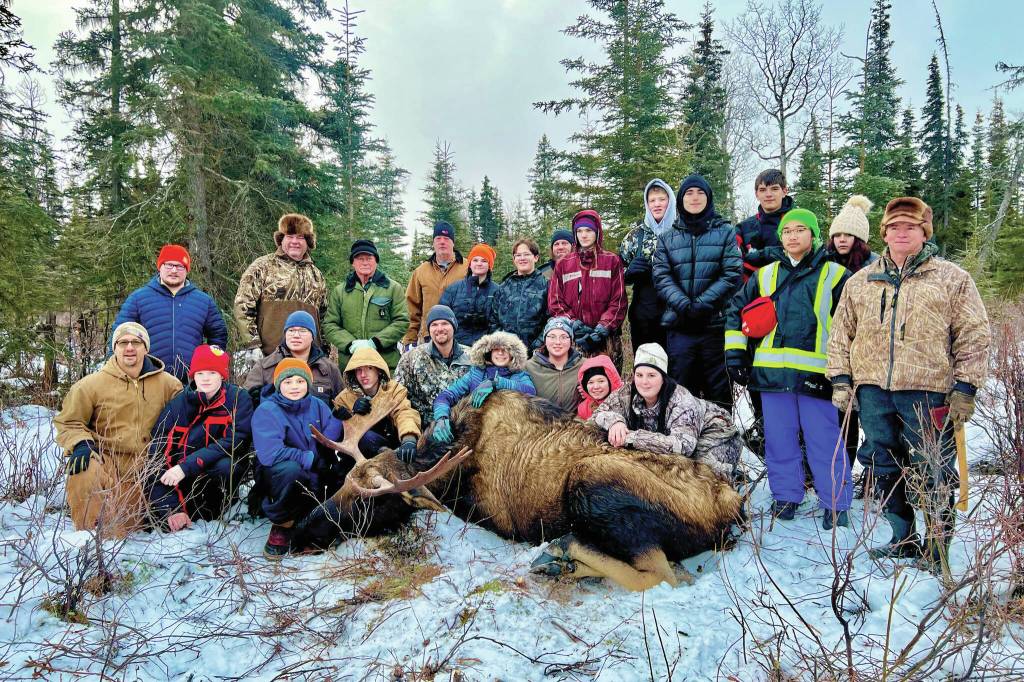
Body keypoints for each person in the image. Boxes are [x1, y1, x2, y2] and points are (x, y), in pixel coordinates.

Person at [828, 197, 990, 569]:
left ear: (924, 233)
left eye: (910, 227)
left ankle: (937, 548)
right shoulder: (860, 281)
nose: (901, 233)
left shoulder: (952, 279)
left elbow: (974, 335)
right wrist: (840, 379)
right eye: (894, 227)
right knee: (884, 465)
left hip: (928, 392)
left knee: (932, 468)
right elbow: (840, 334)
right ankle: (902, 537)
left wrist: (966, 387)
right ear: (884, 232)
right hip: (873, 392)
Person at [725, 207, 852, 528]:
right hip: (771, 377)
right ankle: (786, 496)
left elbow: (853, 327)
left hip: (816, 377)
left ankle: (836, 502)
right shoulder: (764, 276)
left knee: (824, 440)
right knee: (779, 441)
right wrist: (736, 355)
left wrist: (845, 371)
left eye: (800, 230)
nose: (793, 236)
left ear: (813, 235)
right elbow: (734, 313)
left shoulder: (835, 275)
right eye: (787, 231)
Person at [54, 322, 183, 535]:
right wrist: (81, 444)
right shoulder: (90, 386)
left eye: (136, 342)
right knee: (84, 468)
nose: (129, 348)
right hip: (108, 464)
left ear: (146, 348)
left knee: (123, 528)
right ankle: (89, 539)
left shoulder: (169, 385)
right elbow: (69, 422)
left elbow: (186, 422)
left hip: (149, 468)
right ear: (115, 348)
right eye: (123, 343)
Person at [652, 175, 742, 410]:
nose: (694, 198)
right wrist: (683, 304)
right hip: (680, 327)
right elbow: (661, 276)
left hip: (714, 325)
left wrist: (702, 303)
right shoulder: (668, 238)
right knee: (681, 390)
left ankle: (720, 441)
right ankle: (683, 440)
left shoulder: (725, 232)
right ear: (680, 200)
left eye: (700, 192)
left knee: (718, 391)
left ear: (708, 198)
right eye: (688, 193)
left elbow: (732, 273)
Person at [590, 343, 740, 480]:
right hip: (677, 438)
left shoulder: (681, 400)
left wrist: (632, 437)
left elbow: (683, 446)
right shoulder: (627, 392)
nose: (644, 382)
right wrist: (615, 422)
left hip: (715, 433)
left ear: (663, 377)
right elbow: (596, 416)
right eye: (639, 375)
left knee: (700, 477)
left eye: (651, 375)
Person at [147, 345, 253, 531]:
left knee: (227, 466)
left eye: (212, 372)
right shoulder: (178, 405)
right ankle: (184, 511)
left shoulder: (238, 398)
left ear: (222, 375)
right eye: (200, 372)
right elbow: (158, 452)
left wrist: (185, 467)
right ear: (193, 375)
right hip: (183, 480)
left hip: (213, 474)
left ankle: (219, 510)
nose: (205, 378)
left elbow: (235, 442)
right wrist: (172, 509)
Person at [251, 358, 345, 558]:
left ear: (308, 384)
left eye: (300, 381)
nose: (294, 386)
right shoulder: (267, 410)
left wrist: (339, 418)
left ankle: (314, 526)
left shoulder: (317, 405)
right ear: (279, 385)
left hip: (311, 474)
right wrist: (309, 458)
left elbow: (328, 436)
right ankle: (281, 525)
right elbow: (271, 454)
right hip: (278, 475)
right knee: (291, 470)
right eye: (288, 382)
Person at [112, 244, 228, 382]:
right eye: (169, 265)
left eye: (180, 266)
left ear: (186, 270)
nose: (174, 270)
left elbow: (218, 335)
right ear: (160, 267)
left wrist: (207, 368)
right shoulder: (139, 298)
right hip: (148, 378)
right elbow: (119, 334)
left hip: (189, 383)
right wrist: (118, 370)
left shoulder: (204, 301)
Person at [823, 195, 878, 472]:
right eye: (837, 235)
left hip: (867, 351)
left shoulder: (875, 268)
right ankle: (839, 470)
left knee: (866, 417)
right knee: (839, 415)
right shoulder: (822, 263)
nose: (842, 240)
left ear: (860, 239)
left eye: (849, 235)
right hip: (831, 350)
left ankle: (873, 475)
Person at [234, 213, 328, 357]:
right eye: (290, 236)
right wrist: (252, 345)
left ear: (308, 242)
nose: (295, 241)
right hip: (270, 355)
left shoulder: (316, 275)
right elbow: (243, 305)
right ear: (281, 239)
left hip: (309, 358)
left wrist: (324, 350)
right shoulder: (262, 266)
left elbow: (324, 318)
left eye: (300, 237)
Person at [548, 210, 627, 369]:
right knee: (577, 387)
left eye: (588, 230)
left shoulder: (611, 261)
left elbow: (618, 301)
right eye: (579, 231)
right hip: (576, 339)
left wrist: (602, 328)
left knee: (608, 385)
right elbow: (555, 301)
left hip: (606, 340)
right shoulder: (564, 264)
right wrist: (574, 324)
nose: (583, 235)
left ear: (597, 232)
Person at [431, 331, 537, 443]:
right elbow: (446, 396)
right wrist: (441, 418)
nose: (500, 353)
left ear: (513, 355)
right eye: (496, 349)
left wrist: (496, 383)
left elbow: (530, 392)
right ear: (489, 352)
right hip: (477, 435)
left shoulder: (519, 375)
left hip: (510, 433)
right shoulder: (476, 374)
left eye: (506, 350)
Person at [322, 239, 409, 372]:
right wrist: (350, 344)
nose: (365, 262)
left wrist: (375, 342)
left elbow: (402, 321)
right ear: (353, 262)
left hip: (385, 365)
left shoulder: (393, 288)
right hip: (351, 366)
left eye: (369, 258)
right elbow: (330, 325)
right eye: (360, 258)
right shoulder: (340, 292)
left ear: (376, 261)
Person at [334, 347, 421, 462]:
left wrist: (408, 438)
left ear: (378, 370)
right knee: (365, 437)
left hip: (390, 445)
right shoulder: (343, 398)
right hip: (357, 457)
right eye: (358, 370)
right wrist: (352, 415)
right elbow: (337, 432)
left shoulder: (394, 390)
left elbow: (404, 413)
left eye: (369, 368)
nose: (363, 374)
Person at [619, 179, 676, 351]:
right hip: (644, 312)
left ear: (670, 201)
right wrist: (628, 273)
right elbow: (617, 274)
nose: (657, 204)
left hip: (676, 311)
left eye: (661, 199)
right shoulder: (635, 236)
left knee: (676, 368)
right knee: (646, 365)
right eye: (652, 200)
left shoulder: (682, 231)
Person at [394, 305, 474, 426]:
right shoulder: (411, 358)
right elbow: (398, 396)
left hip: (466, 425)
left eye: (445, 323)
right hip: (425, 427)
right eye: (434, 325)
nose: (440, 329)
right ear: (429, 329)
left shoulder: (473, 357)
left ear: (454, 326)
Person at [244, 310, 343, 406]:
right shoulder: (264, 367)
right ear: (285, 334)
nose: (296, 335)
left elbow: (342, 405)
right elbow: (243, 404)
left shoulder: (329, 369)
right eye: (291, 330)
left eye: (302, 331)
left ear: (313, 336)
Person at [401, 221, 469, 350]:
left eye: (446, 238)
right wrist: (409, 340)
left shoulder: (467, 268)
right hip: (430, 336)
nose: (442, 242)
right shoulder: (421, 271)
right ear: (433, 242)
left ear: (453, 243)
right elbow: (411, 308)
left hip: (461, 337)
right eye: (438, 238)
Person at [493, 237, 550, 353]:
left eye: (526, 254)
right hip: (506, 351)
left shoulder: (546, 285)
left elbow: (550, 319)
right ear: (514, 259)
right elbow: (493, 320)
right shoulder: (504, 287)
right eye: (518, 255)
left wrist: (538, 345)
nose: (522, 258)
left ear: (535, 257)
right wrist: (502, 343)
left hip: (536, 353)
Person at [736, 169, 792, 282]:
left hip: (792, 290)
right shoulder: (743, 228)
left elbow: (806, 255)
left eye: (774, 189)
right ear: (756, 194)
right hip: (753, 293)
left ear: (785, 191)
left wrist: (760, 255)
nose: (768, 194)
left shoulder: (801, 222)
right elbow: (733, 263)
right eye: (762, 190)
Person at [439, 242, 499, 346]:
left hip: (487, 348)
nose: (479, 263)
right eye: (475, 260)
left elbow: (500, 323)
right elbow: (442, 317)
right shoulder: (454, 289)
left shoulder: (498, 291)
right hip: (455, 347)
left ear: (490, 265)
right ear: (470, 264)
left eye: (484, 261)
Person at [525, 317, 584, 415]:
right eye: (552, 337)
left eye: (564, 337)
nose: (557, 342)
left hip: (576, 426)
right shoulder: (528, 367)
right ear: (545, 340)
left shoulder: (585, 365)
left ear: (571, 341)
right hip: (540, 425)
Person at [576, 354, 623, 420]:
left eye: (601, 381)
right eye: (591, 382)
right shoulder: (584, 409)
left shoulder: (624, 403)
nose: (596, 387)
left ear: (611, 382)